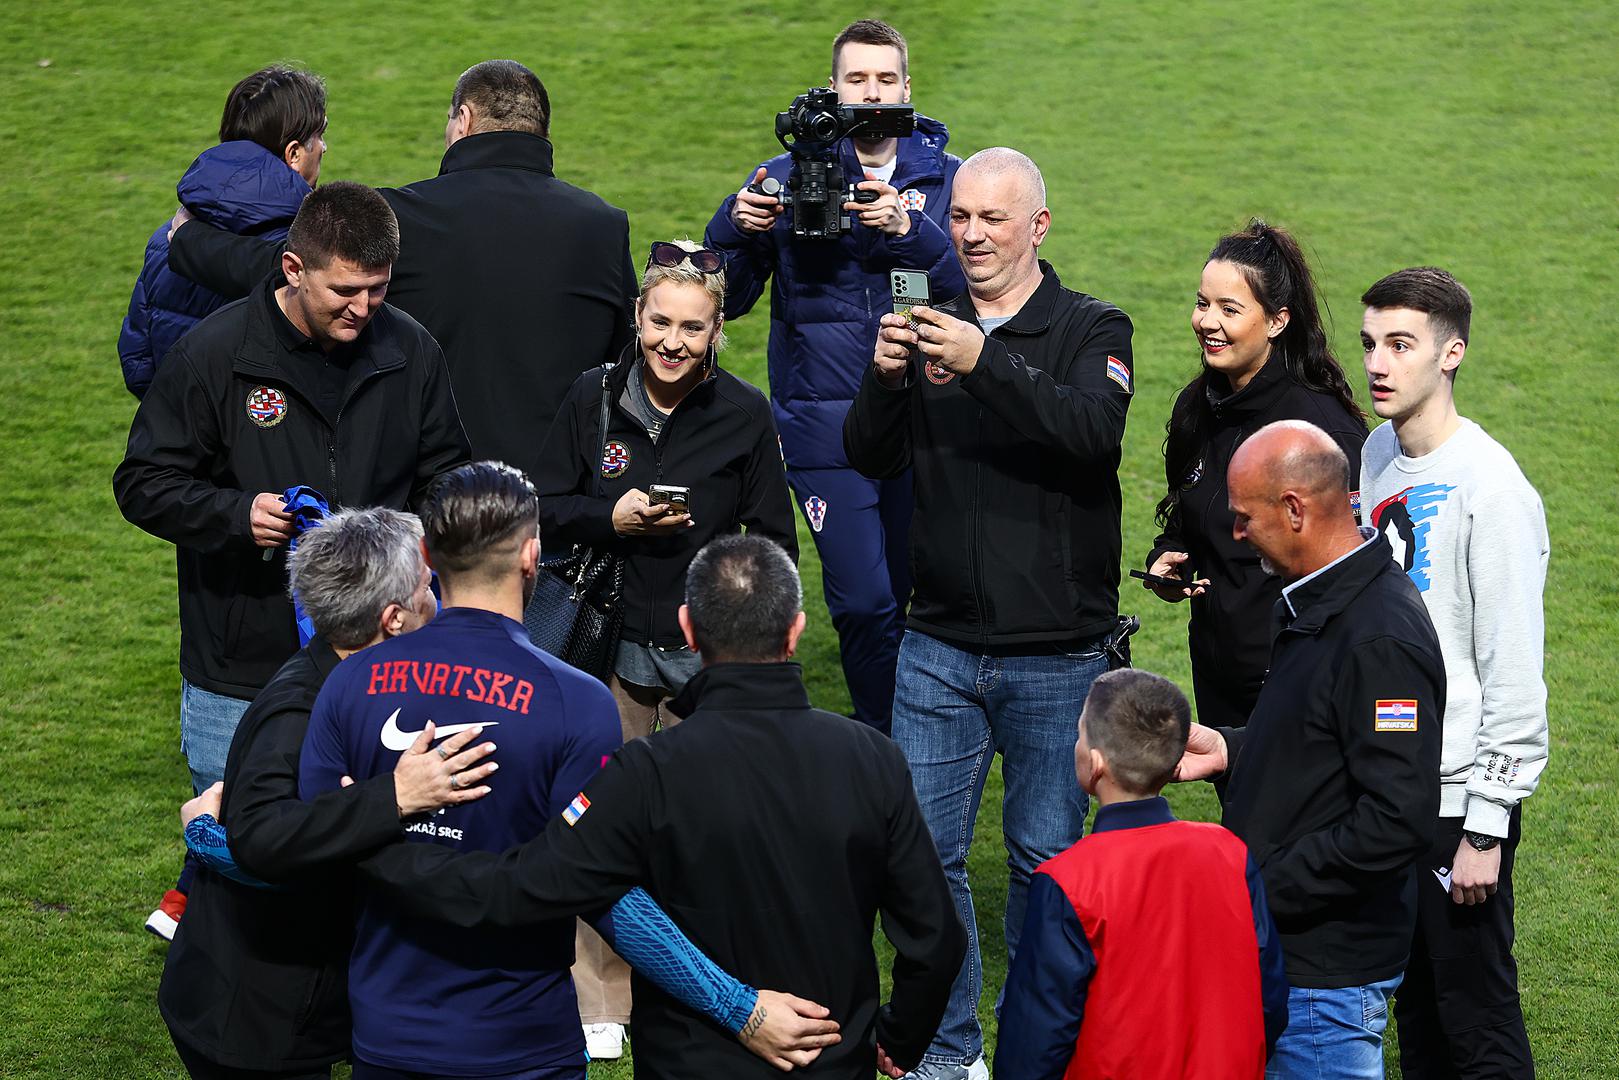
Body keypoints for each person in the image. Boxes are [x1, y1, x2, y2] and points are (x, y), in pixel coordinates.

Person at [345, 533, 966, 1079]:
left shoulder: (644, 770)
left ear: (688, 629)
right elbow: (936, 939)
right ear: (796, 629)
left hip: (689, 1062)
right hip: (827, 1060)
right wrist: (898, 1037)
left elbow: (528, 885)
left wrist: (376, 849)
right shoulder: (873, 759)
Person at [113, 181, 470, 940]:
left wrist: (424, 530)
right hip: (241, 662)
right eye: (345, 290)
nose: (363, 308)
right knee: (240, 857)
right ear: (292, 269)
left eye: (377, 290)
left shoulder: (409, 349)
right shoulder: (215, 355)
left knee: (370, 847)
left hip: (380, 660)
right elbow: (142, 482)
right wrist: (233, 514)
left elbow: (447, 474)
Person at [847, 147, 1134, 1080]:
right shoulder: (926, 319)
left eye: (992, 219)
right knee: (923, 863)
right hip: (936, 645)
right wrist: (886, 377)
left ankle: (1032, 1045)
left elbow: (1090, 436)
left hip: (1058, 655)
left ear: (1037, 227)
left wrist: (984, 361)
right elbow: (868, 456)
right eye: (960, 216)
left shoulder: (1092, 326)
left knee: (1045, 864)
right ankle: (948, 1050)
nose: (969, 234)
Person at [531, 238, 798, 1052]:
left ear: (718, 332)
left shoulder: (745, 413)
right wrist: (608, 519)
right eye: (658, 323)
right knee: (600, 828)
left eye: (691, 327)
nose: (671, 343)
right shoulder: (591, 397)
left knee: (702, 834)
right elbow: (542, 503)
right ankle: (600, 1004)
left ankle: (689, 991)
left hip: (704, 663)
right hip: (601, 652)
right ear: (637, 317)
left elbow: (774, 537)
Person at [169, 59, 635, 483]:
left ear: (464, 119)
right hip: (559, 505)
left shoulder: (403, 215)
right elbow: (628, 360)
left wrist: (187, 239)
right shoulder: (603, 225)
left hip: (433, 501)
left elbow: (292, 274)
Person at [159, 507, 499, 1080]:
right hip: (251, 1021)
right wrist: (396, 796)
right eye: (426, 587)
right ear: (393, 618)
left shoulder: (353, 681)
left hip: (289, 1002)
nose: (435, 599)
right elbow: (261, 839)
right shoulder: (299, 710)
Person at [704, 19, 965, 735]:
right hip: (824, 427)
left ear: (906, 89)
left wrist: (912, 232)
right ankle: (886, 743)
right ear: (834, 87)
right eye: (857, 79)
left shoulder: (948, 180)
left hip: (926, 421)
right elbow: (724, 298)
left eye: (884, 79)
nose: (871, 92)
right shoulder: (787, 177)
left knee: (914, 598)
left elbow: (977, 296)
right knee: (862, 601)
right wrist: (733, 226)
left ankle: (922, 734)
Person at [1175, 419, 1446, 1080]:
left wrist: (1261, 886)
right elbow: (1324, 739)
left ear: (1294, 509)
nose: (1234, 534)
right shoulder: (1315, 602)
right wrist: (1233, 750)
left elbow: (1395, 817)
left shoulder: (1378, 637)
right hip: (1291, 966)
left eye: (1243, 517)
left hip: (1325, 986)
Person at [1359, 267, 1547, 1077]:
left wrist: (1486, 825)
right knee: (1417, 1016)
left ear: (1450, 355)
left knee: (1477, 1021)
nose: (1377, 363)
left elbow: (1513, 672)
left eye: (1400, 345)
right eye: (1369, 343)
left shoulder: (1492, 490)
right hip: (1383, 784)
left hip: (1454, 803)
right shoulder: (1373, 451)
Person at [995, 668, 1288, 1079]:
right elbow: (1270, 997)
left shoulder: (1068, 880)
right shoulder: (1229, 853)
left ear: (1095, 763)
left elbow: (1035, 1037)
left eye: (1081, 734)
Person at [1144, 220, 1367, 732]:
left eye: (1229, 309)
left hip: (1296, 680)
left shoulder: (1318, 432)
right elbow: (1189, 509)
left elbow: (1352, 569)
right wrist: (1170, 556)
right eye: (1203, 304)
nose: (1207, 322)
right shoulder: (1195, 407)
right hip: (1217, 678)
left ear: (1276, 321)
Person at [119, 65, 327, 399]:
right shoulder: (302, 253)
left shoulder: (167, 238)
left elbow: (139, 364)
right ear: (294, 154)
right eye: (319, 135)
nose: (324, 147)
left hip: (181, 433)